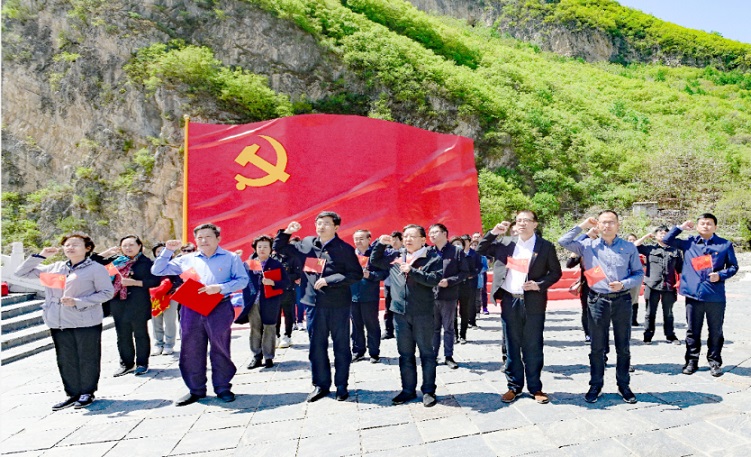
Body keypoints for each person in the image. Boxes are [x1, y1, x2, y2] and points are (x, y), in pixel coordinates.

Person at [151, 223, 249, 406]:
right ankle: (195, 390)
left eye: (208, 236)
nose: (204, 240)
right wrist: (167, 251)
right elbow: (157, 270)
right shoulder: (186, 259)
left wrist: (220, 288)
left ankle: (223, 388)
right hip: (192, 307)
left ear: (218, 238)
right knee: (191, 348)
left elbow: (242, 280)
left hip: (219, 306)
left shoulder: (231, 258)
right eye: (200, 237)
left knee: (220, 347)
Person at [15, 232, 114, 410]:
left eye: (75, 244)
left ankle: (87, 392)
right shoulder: (55, 267)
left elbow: (107, 293)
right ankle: (72, 393)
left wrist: (78, 301)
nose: (70, 247)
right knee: (65, 358)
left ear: (87, 248)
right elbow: (21, 273)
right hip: (58, 320)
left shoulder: (96, 268)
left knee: (87, 357)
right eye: (67, 244)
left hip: (85, 321)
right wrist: (41, 256)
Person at [274, 212, 363, 402]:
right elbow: (280, 248)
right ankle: (320, 385)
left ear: (336, 227)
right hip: (313, 304)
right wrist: (287, 232)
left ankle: (341, 385)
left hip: (338, 305)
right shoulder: (307, 244)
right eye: (319, 223)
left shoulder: (344, 249)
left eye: (326, 223)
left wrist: (330, 280)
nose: (321, 226)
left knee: (341, 346)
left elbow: (356, 274)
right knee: (316, 347)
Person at [477, 210, 562, 404]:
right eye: (519, 220)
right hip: (510, 300)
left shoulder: (545, 246)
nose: (522, 223)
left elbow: (555, 272)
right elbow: (480, 249)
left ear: (535, 224)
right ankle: (513, 386)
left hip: (533, 301)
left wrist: (539, 284)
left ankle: (535, 387)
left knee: (533, 345)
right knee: (511, 344)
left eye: (526, 220)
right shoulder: (505, 243)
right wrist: (494, 232)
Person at [559, 211, 644, 404]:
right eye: (603, 222)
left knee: (623, 346)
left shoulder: (628, 247)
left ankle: (624, 385)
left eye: (611, 222)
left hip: (622, 299)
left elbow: (638, 273)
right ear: (598, 225)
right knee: (597, 347)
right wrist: (583, 225)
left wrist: (624, 284)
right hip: (597, 300)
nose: (607, 226)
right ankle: (595, 385)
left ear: (618, 225)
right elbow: (563, 241)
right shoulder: (587, 245)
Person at [371, 225, 443, 407]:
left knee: (427, 353)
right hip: (400, 314)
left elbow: (433, 280)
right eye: (406, 236)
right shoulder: (396, 255)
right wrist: (380, 244)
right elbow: (375, 260)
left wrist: (413, 271)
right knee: (405, 354)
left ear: (423, 239)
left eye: (412, 236)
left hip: (422, 313)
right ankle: (408, 390)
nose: (408, 239)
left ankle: (429, 390)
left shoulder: (433, 258)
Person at [663, 213, 738, 377]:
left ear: (715, 227)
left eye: (709, 223)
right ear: (697, 226)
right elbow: (666, 240)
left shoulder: (724, 245)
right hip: (694, 295)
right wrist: (680, 227)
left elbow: (733, 267)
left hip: (715, 296)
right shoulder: (689, 243)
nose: (705, 226)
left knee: (716, 331)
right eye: (702, 223)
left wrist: (721, 275)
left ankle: (715, 362)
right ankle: (691, 361)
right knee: (692, 331)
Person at [100, 235, 159, 377]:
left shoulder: (146, 263)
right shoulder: (115, 262)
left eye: (131, 245)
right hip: (118, 302)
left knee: (140, 334)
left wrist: (135, 283)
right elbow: (93, 262)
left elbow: (155, 281)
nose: (128, 248)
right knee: (122, 335)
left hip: (138, 303)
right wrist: (106, 253)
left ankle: (142, 363)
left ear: (139, 246)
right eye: (124, 245)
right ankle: (126, 364)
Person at [239, 235, 290, 369]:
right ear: (255, 248)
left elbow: (286, 282)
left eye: (265, 247)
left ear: (270, 249)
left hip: (270, 301)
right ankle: (256, 356)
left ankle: (268, 357)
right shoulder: (248, 264)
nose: (262, 249)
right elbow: (241, 280)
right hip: (253, 302)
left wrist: (273, 283)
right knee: (255, 328)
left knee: (269, 327)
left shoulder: (275, 264)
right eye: (259, 246)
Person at [633, 226, 683, 345]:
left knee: (668, 313)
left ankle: (670, 336)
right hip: (652, 285)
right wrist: (646, 236)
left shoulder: (675, 251)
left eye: (666, 233)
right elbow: (634, 246)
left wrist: (680, 283)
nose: (663, 234)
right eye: (660, 233)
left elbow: (680, 269)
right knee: (650, 312)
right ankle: (648, 336)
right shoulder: (650, 249)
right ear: (655, 236)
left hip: (669, 286)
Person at [429, 224, 469, 369]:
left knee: (448, 328)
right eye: (430, 233)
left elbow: (464, 272)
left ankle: (448, 356)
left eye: (435, 232)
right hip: (431, 295)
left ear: (445, 233)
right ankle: (433, 355)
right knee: (433, 328)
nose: (432, 235)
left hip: (449, 295)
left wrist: (450, 281)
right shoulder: (428, 252)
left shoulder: (456, 251)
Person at [350, 229, 389, 363]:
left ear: (369, 239)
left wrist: (371, 275)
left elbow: (384, 273)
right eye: (356, 239)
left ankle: (374, 352)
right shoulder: (350, 255)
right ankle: (358, 351)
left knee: (371, 324)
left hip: (369, 296)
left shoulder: (375, 255)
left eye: (361, 238)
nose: (358, 241)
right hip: (352, 295)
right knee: (356, 325)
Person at [149, 243, 181, 356]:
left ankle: (169, 344)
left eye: (163, 251)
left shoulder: (175, 265)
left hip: (171, 295)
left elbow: (180, 279)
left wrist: (172, 288)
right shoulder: (151, 266)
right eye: (158, 252)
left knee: (169, 321)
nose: (161, 254)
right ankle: (158, 344)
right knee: (156, 320)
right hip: (155, 297)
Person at [453, 235, 481, 343]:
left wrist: (470, 275)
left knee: (464, 311)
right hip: (452, 287)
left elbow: (476, 269)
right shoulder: (449, 258)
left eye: (459, 244)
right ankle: (454, 335)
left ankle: (463, 335)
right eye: (455, 244)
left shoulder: (469, 256)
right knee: (452, 312)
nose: (457, 246)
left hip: (466, 286)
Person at [273, 247, 301, 349]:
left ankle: (287, 336)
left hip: (288, 290)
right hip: (274, 290)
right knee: (275, 314)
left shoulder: (293, 258)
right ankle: (276, 335)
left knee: (288, 313)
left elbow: (297, 274)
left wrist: (284, 277)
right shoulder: (272, 257)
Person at [382, 231, 403, 339]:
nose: (393, 242)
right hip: (389, 284)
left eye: (396, 240)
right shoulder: (387, 252)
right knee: (388, 308)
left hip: (401, 286)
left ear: (401, 240)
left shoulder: (405, 252)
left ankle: (403, 330)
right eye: (392, 240)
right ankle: (388, 330)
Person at [625, 233, 643, 326]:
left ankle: (633, 319)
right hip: (625, 277)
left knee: (635, 298)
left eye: (633, 240)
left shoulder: (640, 251)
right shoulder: (623, 250)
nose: (632, 241)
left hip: (636, 277)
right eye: (630, 240)